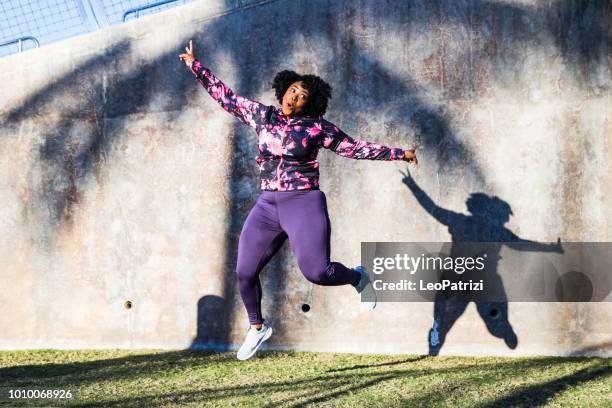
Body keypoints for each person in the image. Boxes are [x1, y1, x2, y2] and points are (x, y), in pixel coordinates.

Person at [179, 40, 417, 360]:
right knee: (244, 272)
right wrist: (196, 65)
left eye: (304, 96)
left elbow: (355, 148)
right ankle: (258, 327)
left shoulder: (317, 128)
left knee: (318, 272)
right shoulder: (262, 116)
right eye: (293, 90)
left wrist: (398, 153)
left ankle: (358, 277)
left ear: (311, 103)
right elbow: (227, 97)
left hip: (303, 202)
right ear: (283, 90)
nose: (296, 97)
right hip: (267, 205)